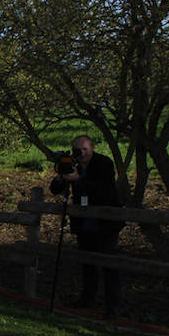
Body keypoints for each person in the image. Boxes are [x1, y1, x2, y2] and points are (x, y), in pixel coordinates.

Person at [50, 135, 124, 318]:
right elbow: (55, 189)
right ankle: (87, 299)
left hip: (106, 222)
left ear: (92, 148)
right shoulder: (72, 164)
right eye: (77, 150)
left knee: (109, 263)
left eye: (84, 149)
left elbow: (104, 190)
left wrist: (77, 179)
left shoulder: (103, 164)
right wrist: (62, 175)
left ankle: (112, 306)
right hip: (84, 222)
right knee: (88, 263)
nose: (81, 153)